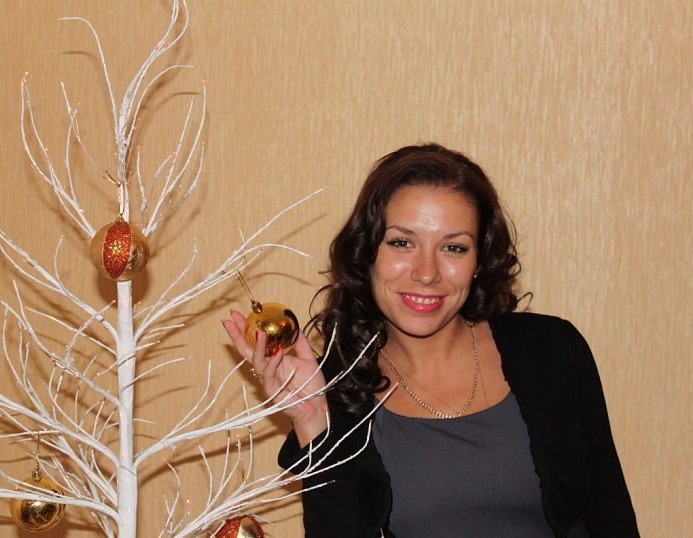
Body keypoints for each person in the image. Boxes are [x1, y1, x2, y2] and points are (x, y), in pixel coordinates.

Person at [222, 143, 639, 537]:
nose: (426, 273)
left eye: (454, 248)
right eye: (402, 243)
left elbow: (611, 517)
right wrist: (313, 422)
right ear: (367, 253)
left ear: (479, 261)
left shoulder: (551, 351)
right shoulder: (338, 390)